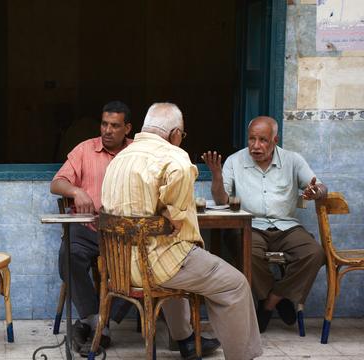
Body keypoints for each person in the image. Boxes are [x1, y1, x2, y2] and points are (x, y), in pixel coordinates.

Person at [102, 103, 261, 360]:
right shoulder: (175, 158)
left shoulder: (119, 158)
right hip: (157, 265)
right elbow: (176, 223)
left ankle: (186, 340)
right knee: (235, 284)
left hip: (120, 266)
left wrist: (160, 213)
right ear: (175, 133)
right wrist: (166, 215)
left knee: (182, 262)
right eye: (182, 135)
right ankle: (243, 356)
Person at [201, 116, 327, 333]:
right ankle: (281, 298)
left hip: (286, 226)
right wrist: (216, 176)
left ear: (274, 140)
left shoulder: (293, 160)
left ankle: (270, 301)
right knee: (247, 251)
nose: (256, 146)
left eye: (263, 140)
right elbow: (222, 201)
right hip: (251, 226)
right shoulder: (234, 161)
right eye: (252, 139)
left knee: (314, 253)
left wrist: (316, 192)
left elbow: (320, 187)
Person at [50, 100, 133, 354]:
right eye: (104, 124)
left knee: (141, 262)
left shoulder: (137, 153)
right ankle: (95, 320)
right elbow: (57, 183)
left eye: (115, 126)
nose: (107, 130)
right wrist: (76, 191)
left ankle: (98, 323)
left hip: (123, 232)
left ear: (127, 128)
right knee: (68, 255)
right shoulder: (85, 150)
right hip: (87, 228)